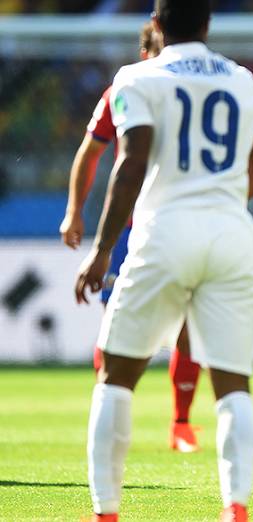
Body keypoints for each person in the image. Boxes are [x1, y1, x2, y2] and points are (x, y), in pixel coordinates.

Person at [74, 1, 253, 519]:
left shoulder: (138, 77)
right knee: (233, 384)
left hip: (164, 232)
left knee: (116, 376)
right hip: (232, 234)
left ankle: (106, 511)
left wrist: (100, 250)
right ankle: (235, 508)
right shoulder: (243, 80)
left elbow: (132, 161)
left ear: (157, 25)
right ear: (208, 24)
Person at [59, 21, 202, 454]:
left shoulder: (196, 93)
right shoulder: (123, 91)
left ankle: (181, 422)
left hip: (183, 221)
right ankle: (110, 411)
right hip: (130, 229)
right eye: (158, 51)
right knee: (116, 326)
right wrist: (74, 211)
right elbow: (90, 151)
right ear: (146, 53)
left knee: (188, 327)